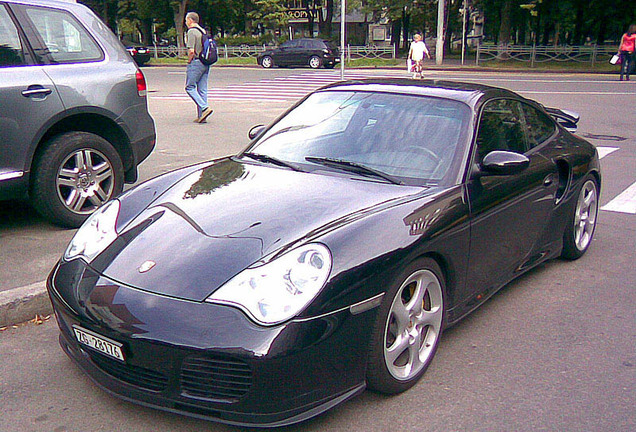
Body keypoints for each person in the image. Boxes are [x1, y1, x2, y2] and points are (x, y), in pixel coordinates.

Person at [185, 12, 213, 122]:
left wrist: (188, 61)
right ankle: (202, 116)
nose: (186, 22)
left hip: (196, 62)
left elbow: (191, 51)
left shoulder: (192, 32)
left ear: (191, 20)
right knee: (202, 89)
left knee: (189, 87)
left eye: (186, 20)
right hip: (206, 62)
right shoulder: (203, 31)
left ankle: (204, 107)